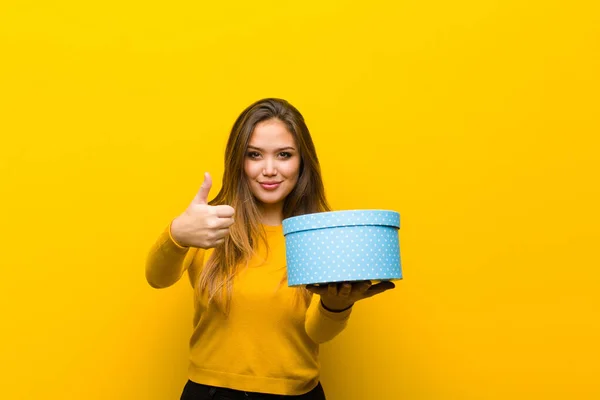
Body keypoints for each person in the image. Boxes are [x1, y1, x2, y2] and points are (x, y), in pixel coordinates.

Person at [145, 98, 395, 400]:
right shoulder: (211, 222)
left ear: (302, 162)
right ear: (239, 160)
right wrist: (178, 234)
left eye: (284, 155)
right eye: (255, 155)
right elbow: (157, 278)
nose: (269, 169)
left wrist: (336, 303)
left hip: (295, 394)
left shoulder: (316, 233)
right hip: (210, 393)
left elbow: (317, 333)